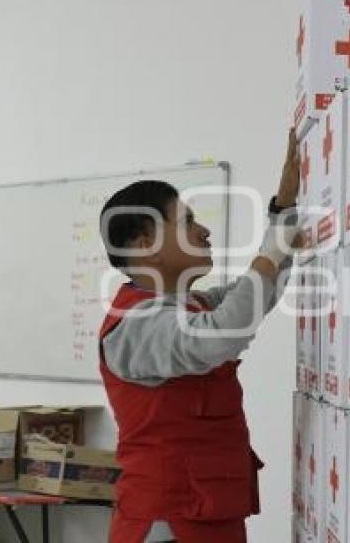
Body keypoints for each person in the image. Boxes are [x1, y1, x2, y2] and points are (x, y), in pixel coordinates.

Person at [97, 131, 303, 543]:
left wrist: (283, 209)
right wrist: (269, 254)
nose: (204, 232)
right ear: (147, 245)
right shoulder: (135, 325)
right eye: (188, 222)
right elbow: (219, 337)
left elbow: (257, 293)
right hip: (169, 522)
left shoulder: (190, 306)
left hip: (207, 513)